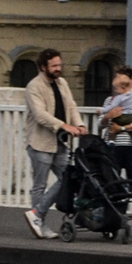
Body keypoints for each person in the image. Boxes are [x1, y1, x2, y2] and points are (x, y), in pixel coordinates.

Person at [22, 50, 87, 238]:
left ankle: (37, 214)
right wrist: (65, 126)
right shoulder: (34, 86)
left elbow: (71, 106)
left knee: (67, 178)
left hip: (60, 143)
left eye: (60, 65)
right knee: (40, 185)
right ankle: (39, 223)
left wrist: (80, 124)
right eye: (54, 66)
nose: (59, 69)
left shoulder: (62, 83)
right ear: (43, 67)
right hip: (40, 142)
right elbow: (40, 115)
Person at [96, 64, 132, 228]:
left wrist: (123, 128)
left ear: (131, 80)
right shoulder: (110, 101)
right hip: (112, 148)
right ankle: (112, 219)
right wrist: (108, 117)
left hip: (131, 148)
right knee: (111, 184)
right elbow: (100, 124)